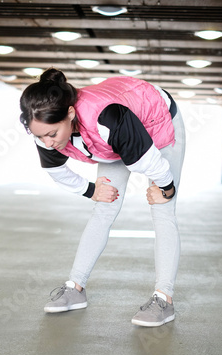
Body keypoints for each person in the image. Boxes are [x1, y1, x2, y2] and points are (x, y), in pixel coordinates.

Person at [20, 68, 186, 327]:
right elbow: (56, 171)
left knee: (163, 209)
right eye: (39, 136)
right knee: (103, 207)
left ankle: (164, 299)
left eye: (52, 135)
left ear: (71, 114)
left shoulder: (107, 119)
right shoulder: (45, 126)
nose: (47, 143)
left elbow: (149, 161)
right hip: (114, 138)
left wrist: (166, 188)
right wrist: (91, 190)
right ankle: (75, 288)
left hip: (157, 122)